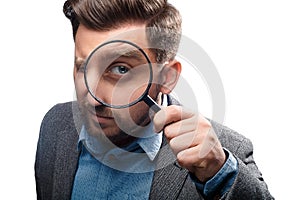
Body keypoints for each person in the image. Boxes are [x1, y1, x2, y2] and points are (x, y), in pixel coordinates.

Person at [35, 0, 274, 199]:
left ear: (167, 77)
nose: (93, 98)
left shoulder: (220, 156)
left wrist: (218, 173)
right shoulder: (56, 125)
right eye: (84, 67)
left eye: (120, 69)